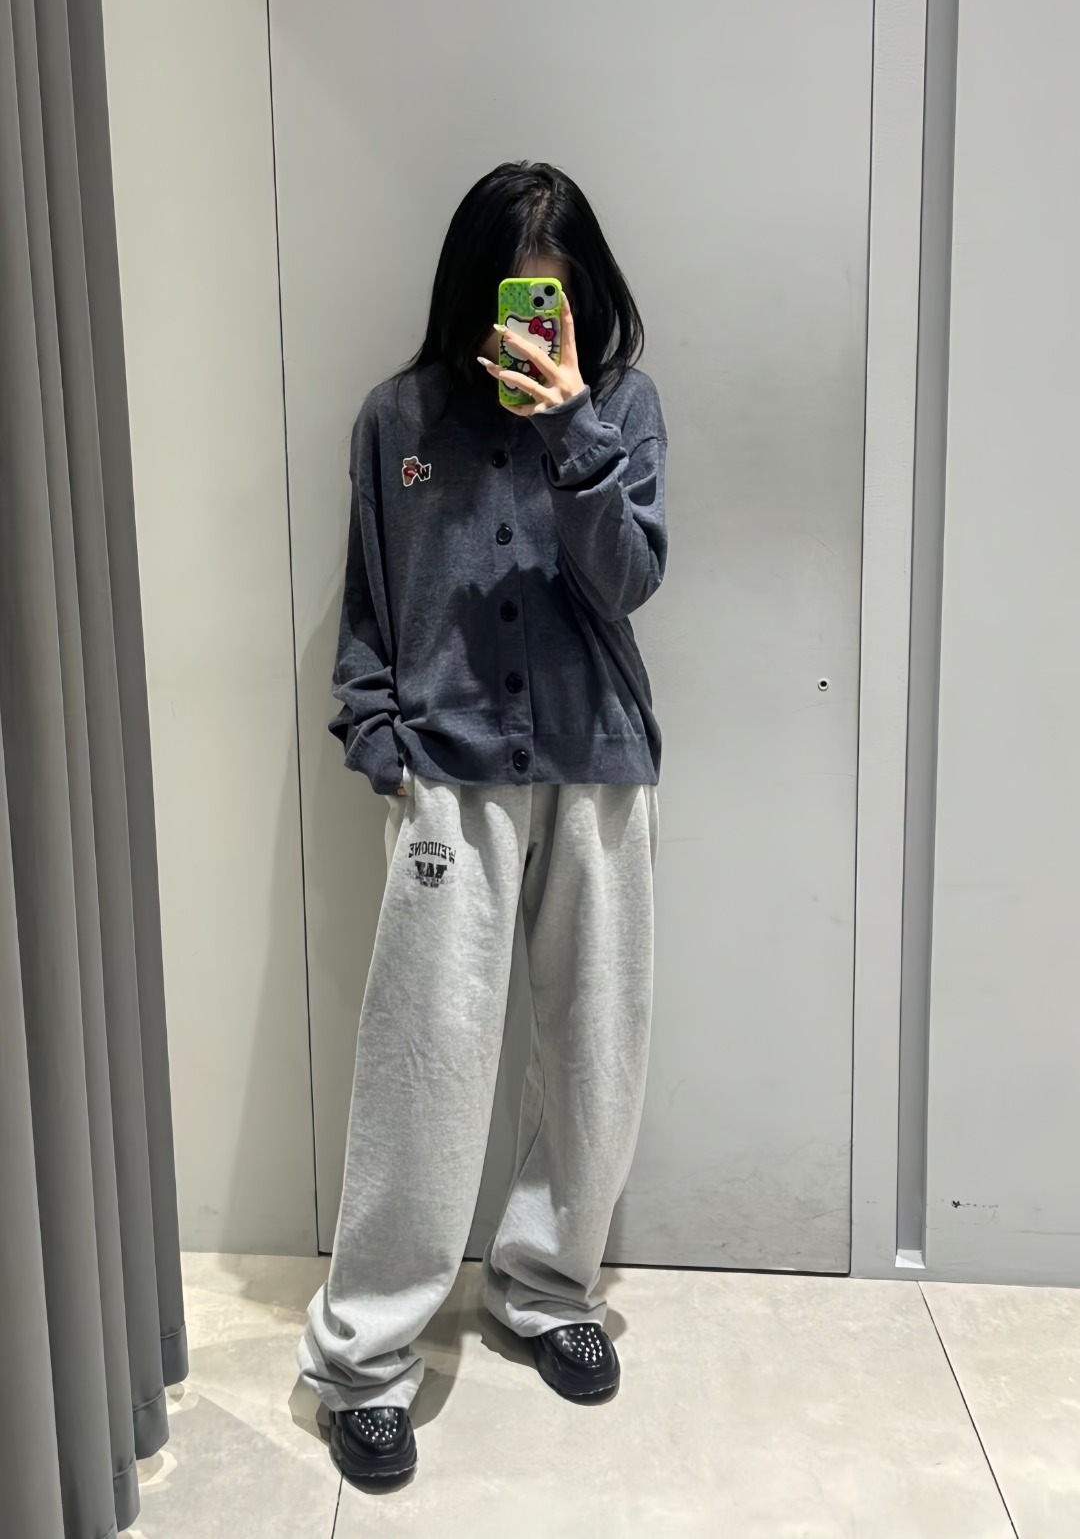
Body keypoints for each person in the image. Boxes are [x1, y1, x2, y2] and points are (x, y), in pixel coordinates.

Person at [297, 160, 669, 1492]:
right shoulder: (397, 419)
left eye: (553, 301)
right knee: (425, 1068)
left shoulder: (622, 408)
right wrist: (379, 741)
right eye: (515, 298)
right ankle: (364, 1356)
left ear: (584, 300)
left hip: (596, 764)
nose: (531, 325)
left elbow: (630, 579)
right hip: (448, 775)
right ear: (469, 293)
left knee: (594, 1051)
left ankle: (549, 1290)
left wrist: (574, 430)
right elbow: (369, 600)